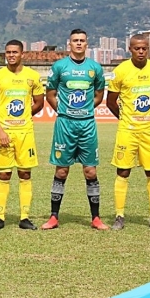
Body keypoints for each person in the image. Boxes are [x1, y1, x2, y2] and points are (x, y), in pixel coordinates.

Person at [41, 29, 109, 230]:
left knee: (90, 171)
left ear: (87, 44)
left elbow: (99, 94)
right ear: (69, 43)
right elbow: (50, 94)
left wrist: (85, 110)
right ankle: (54, 217)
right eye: (75, 40)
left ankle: (96, 218)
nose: (78, 43)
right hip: (65, 125)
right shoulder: (59, 66)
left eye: (82, 40)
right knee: (62, 171)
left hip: (87, 125)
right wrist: (63, 111)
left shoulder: (95, 68)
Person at [106, 35, 150, 230]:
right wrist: (126, 119)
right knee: (123, 171)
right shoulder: (120, 71)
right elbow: (111, 102)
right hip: (128, 131)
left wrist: (146, 117)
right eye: (137, 48)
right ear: (130, 49)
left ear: (147, 49)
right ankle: (119, 216)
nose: (141, 52)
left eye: (144, 48)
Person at [0, 39, 45, 230]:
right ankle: (0, 217)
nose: (11, 55)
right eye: (8, 52)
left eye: (14, 52)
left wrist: (25, 115)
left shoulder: (32, 76)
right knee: (4, 174)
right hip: (4, 133)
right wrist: (0, 130)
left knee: (25, 173)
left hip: (25, 133)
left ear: (22, 54)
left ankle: (24, 217)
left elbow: (39, 102)